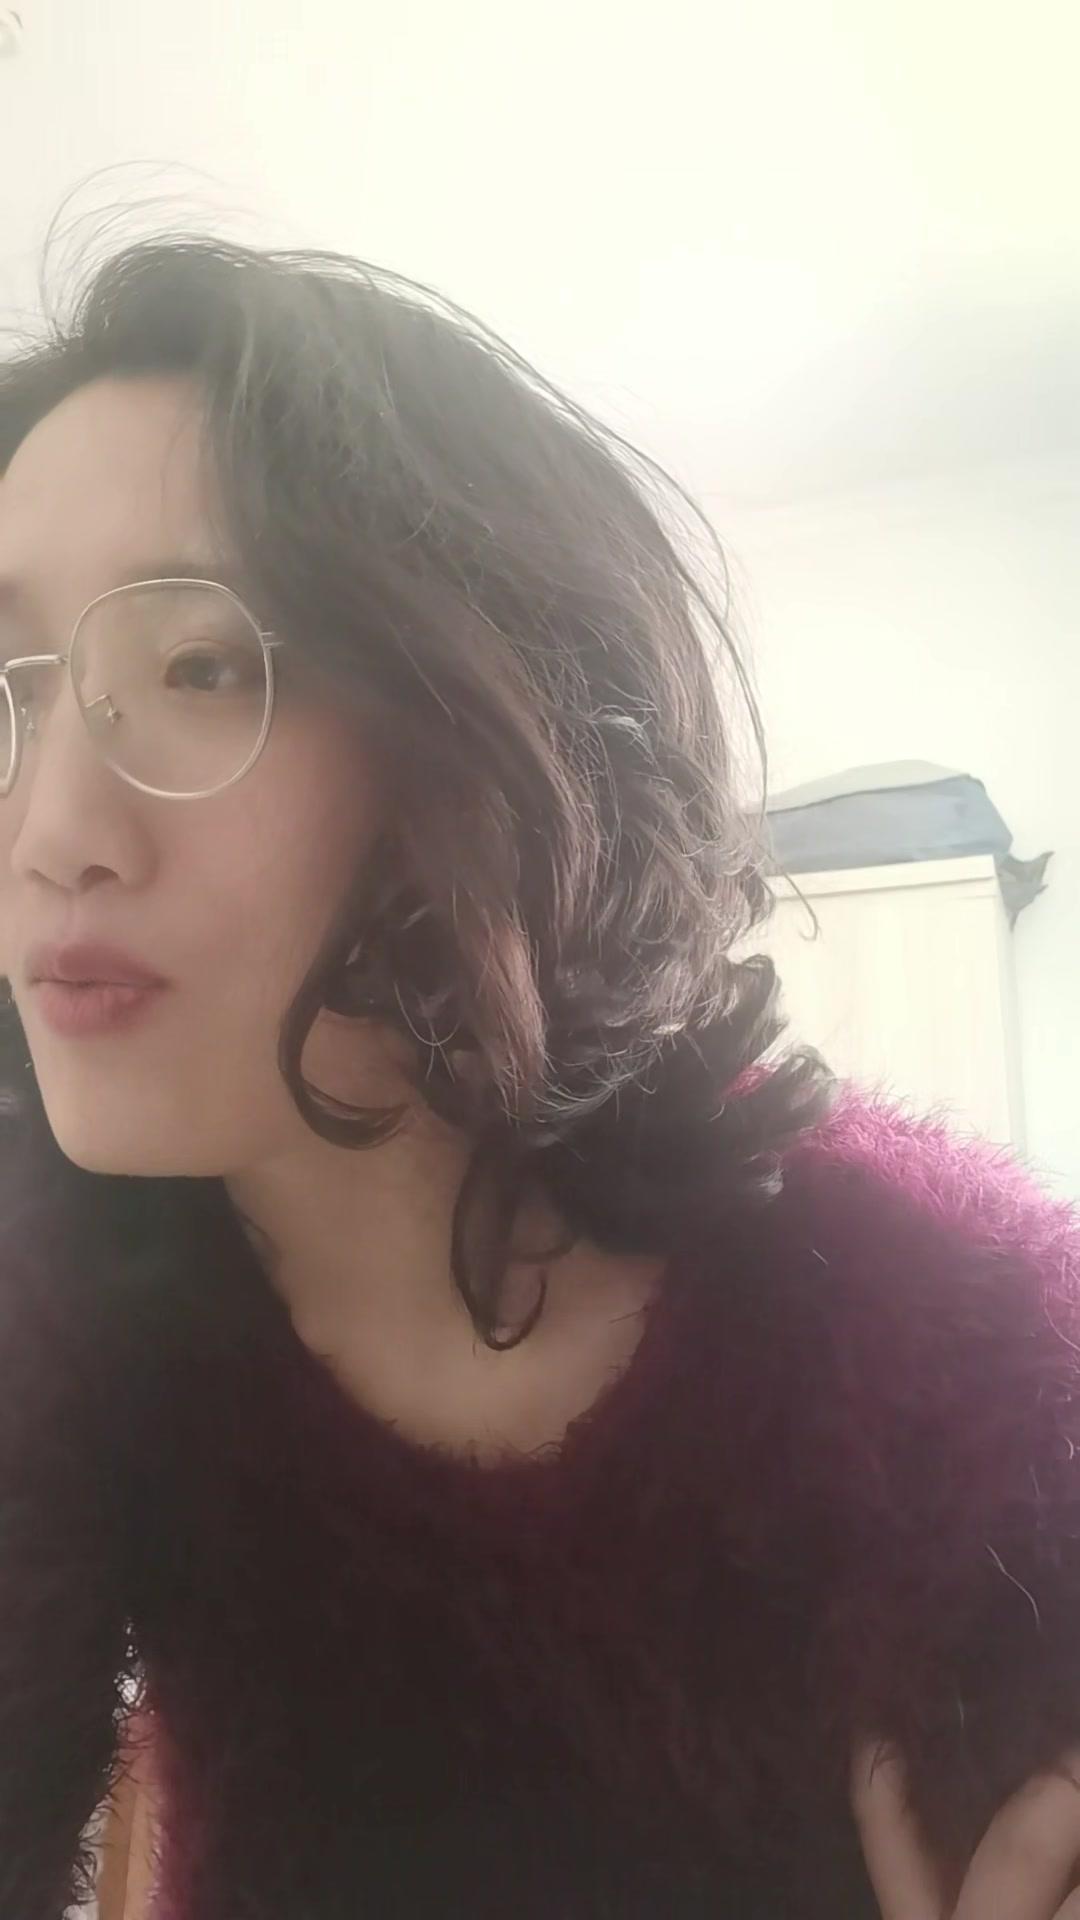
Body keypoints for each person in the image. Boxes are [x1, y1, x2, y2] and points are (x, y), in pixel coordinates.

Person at [0, 236, 1078, 1920]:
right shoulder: (66, 1314)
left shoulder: (945, 1339)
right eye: (11, 692)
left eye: (200, 667)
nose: (52, 830)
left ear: (489, 736)